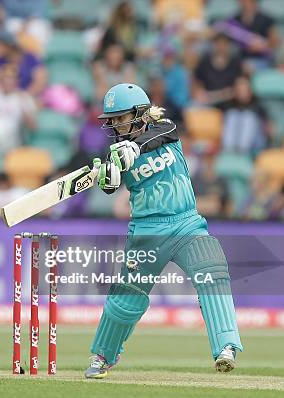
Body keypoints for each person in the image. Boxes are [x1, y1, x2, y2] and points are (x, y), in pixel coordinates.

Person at [84, 83, 242, 378]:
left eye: (122, 118)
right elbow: (110, 186)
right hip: (147, 232)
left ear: (141, 113)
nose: (117, 125)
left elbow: (159, 135)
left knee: (213, 272)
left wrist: (134, 148)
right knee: (126, 299)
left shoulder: (165, 129)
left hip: (186, 223)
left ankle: (226, 347)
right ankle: (102, 356)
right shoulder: (116, 153)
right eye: (113, 120)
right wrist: (108, 176)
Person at [192, 33, 243, 109]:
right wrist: (200, 93)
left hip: (230, 102)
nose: (221, 47)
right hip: (208, 99)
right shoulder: (205, 62)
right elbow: (196, 82)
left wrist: (223, 95)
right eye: (218, 44)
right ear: (214, 45)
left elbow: (239, 86)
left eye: (224, 44)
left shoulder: (235, 63)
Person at [222, 76, 271, 153]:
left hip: (255, 143)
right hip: (234, 142)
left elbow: (268, 129)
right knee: (232, 115)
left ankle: (242, 150)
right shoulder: (229, 105)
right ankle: (229, 150)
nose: (242, 92)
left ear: (250, 90)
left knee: (248, 117)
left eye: (244, 89)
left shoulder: (258, 105)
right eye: (239, 89)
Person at [0, 30, 46, 98]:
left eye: (0, 44)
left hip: (28, 97)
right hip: (4, 98)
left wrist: (26, 96)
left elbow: (40, 80)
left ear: (9, 45)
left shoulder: (30, 58)